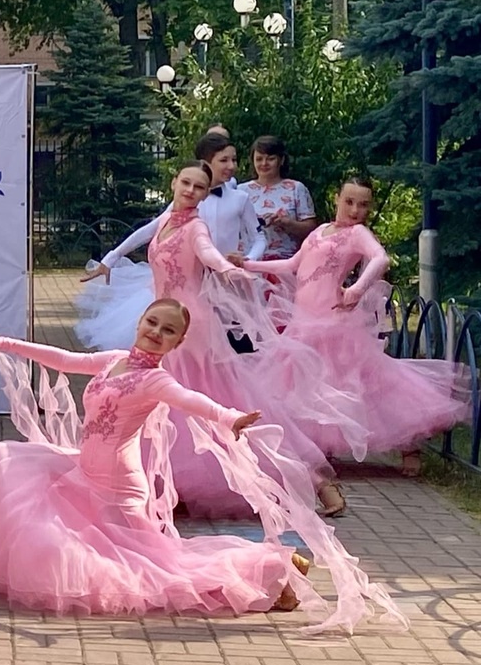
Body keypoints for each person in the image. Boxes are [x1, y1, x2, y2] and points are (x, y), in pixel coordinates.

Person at [0, 298, 406, 633]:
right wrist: (3, 343)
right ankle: (277, 567)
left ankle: (273, 567)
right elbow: (64, 358)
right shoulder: (115, 361)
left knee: (160, 566)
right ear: (140, 322)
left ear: (177, 343)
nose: (156, 332)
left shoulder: (155, 380)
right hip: (85, 473)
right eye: (152, 323)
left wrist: (230, 417)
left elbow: (191, 399)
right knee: (9, 458)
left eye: (168, 330)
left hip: (117, 487)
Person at [93, 162, 351, 517]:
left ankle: (314, 481)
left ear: (204, 194)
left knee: (211, 398)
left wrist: (229, 268)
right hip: (166, 318)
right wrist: (108, 260)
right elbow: (141, 234)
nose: (190, 190)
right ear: (174, 182)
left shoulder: (196, 226)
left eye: (198, 187)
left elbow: (208, 252)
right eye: (186, 183)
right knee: (167, 400)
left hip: (190, 327)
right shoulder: (167, 219)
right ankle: (165, 480)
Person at [233, 177, 470, 476]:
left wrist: (356, 289)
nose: (355, 210)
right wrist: (248, 265)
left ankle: (408, 445)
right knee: (307, 385)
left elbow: (380, 258)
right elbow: (292, 264)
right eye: (349, 202)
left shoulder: (358, 233)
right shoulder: (319, 230)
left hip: (334, 323)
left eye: (363, 205)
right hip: (304, 322)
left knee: (361, 385)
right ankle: (319, 447)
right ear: (337, 198)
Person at [78, 133, 265, 352]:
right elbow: (150, 230)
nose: (231, 166)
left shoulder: (238, 199)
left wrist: (243, 261)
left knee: (230, 346)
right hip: (183, 285)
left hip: (225, 282)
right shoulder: (179, 207)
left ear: (204, 192)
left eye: (234, 160)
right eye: (224, 160)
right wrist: (111, 257)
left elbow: (224, 244)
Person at [241, 135, 318, 261]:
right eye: (259, 159)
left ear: (281, 160)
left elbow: (312, 230)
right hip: (249, 261)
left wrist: (288, 223)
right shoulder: (241, 191)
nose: (264, 163)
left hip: (286, 261)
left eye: (270, 159)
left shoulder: (296, 188)